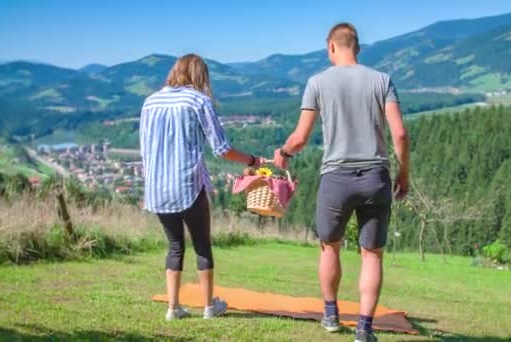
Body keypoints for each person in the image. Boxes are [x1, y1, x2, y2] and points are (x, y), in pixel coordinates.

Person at [273, 23, 410, 342]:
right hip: (376, 176)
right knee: (372, 255)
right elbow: (400, 133)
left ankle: (331, 315)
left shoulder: (317, 82)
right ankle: (364, 329)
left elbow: (300, 138)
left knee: (329, 248)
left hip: (336, 178)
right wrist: (404, 174)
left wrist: (283, 152)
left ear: (331, 46)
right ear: (357, 48)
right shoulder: (382, 80)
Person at [140, 54, 264, 321]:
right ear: (200, 75)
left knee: (174, 246)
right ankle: (209, 306)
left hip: (158, 187)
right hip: (188, 184)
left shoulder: (150, 102)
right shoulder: (198, 101)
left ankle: (173, 308)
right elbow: (223, 149)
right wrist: (252, 160)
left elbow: (144, 149)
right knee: (202, 246)